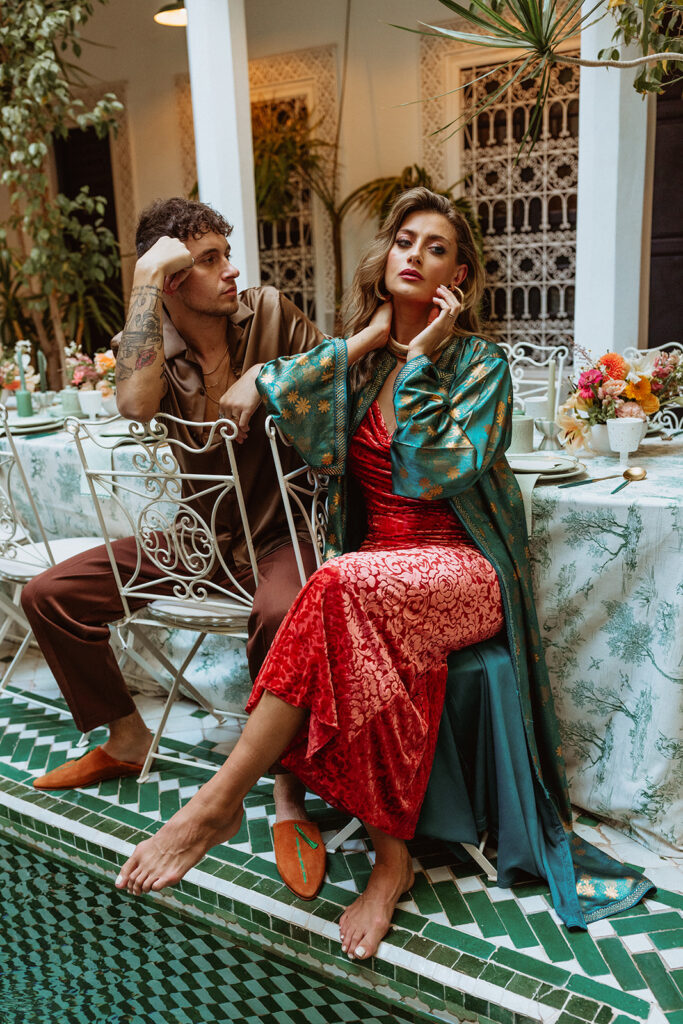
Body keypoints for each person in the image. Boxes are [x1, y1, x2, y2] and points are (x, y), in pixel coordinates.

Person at [115, 189, 653, 959]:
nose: (414, 255)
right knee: (347, 603)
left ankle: (218, 802)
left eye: (435, 248)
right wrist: (348, 346)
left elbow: (433, 471)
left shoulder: (480, 365)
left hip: (463, 569)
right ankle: (390, 861)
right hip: (377, 573)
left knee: (333, 585)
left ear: (456, 277)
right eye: (404, 240)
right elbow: (285, 387)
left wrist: (423, 360)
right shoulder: (360, 367)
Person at [21, 197, 327, 893]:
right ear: (172, 281)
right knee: (50, 595)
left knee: (283, 613)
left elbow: (338, 370)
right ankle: (127, 738)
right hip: (199, 537)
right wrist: (142, 282)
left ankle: (288, 791)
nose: (230, 270)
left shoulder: (270, 312)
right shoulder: (151, 338)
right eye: (209, 260)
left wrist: (266, 375)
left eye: (226, 254)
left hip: (282, 530)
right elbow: (133, 404)